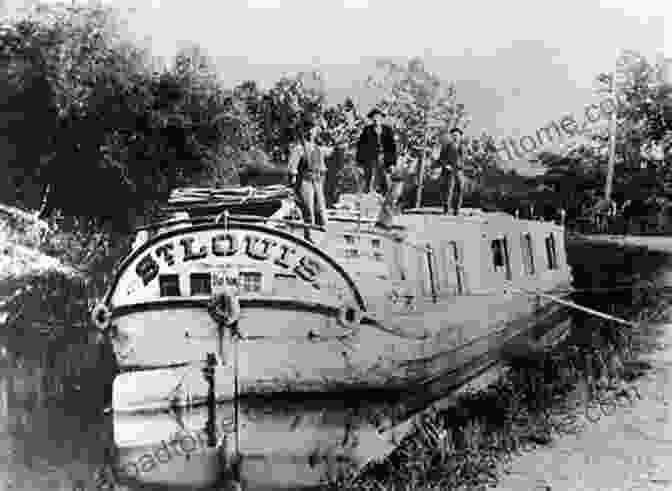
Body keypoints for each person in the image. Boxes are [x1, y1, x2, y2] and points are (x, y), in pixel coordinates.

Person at [288, 120, 333, 240]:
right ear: (304, 132)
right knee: (308, 210)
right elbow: (292, 166)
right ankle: (309, 236)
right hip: (305, 181)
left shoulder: (319, 148)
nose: (311, 132)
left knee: (321, 209)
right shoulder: (299, 148)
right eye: (308, 129)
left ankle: (323, 236)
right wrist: (293, 181)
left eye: (313, 129)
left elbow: (331, 153)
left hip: (318, 181)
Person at [356, 108, 397, 195]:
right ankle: (369, 198)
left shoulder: (387, 130)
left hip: (385, 159)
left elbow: (392, 147)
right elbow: (361, 147)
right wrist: (359, 163)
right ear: (371, 119)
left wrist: (392, 163)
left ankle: (385, 198)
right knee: (370, 180)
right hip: (370, 159)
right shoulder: (367, 130)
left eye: (378, 118)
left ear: (381, 119)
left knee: (385, 180)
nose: (376, 120)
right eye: (374, 118)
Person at [435, 127, 465, 215]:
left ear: (460, 136)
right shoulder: (446, 146)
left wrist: (462, 166)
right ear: (451, 136)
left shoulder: (463, 146)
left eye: (457, 135)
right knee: (448, 190)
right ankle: (446, 210)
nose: (455, 137)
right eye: (453, 135)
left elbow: (465, 159)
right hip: (449, 171)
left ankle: (457, 210)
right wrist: (446, 165)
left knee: (460, 189)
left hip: (459, 171)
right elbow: (441, 159)